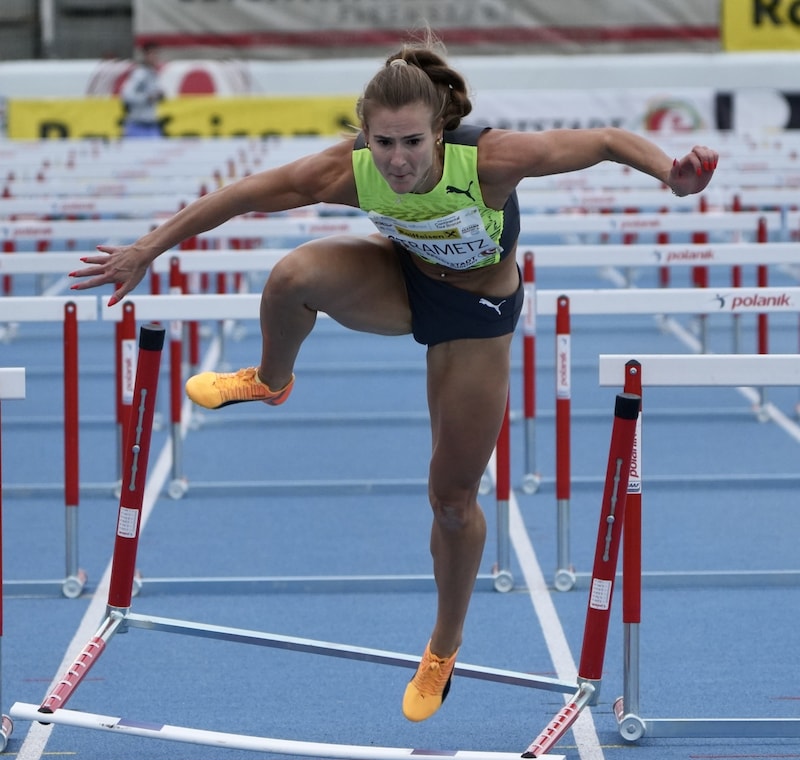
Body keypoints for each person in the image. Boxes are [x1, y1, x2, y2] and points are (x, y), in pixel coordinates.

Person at [70, 34, 718, 724]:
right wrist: (146, 249)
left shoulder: (492, 161)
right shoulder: (347, 171)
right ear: (365, 136)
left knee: (452, 498)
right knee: (293, 276)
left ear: (439, 131)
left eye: (412, 142)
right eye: (384, 144)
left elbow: (611, 139)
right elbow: (239, 196)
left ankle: (444, 644)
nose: (399, 161)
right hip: (400, 281)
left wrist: (668, 174)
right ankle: (269, 379)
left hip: (477, 313)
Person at [120, 41, 165, 138]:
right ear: (145, 55)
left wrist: (160, 95)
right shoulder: (139, 73)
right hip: (137, 124)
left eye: (156, 53)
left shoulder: (154, 74)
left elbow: (155, 94)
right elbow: (126, 95)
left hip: (152, 124)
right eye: (152, 53)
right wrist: (146, 98)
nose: (155, 57)